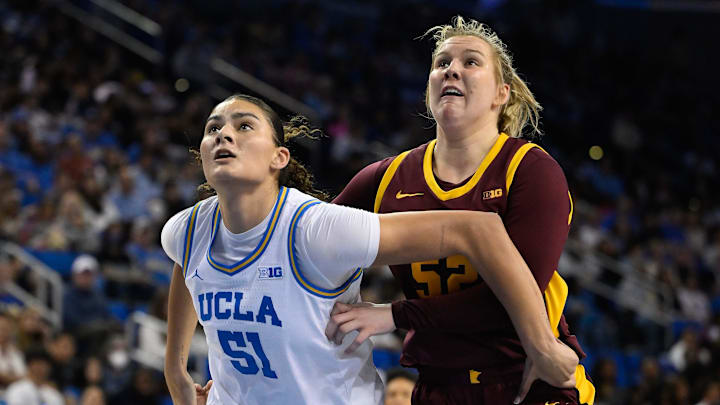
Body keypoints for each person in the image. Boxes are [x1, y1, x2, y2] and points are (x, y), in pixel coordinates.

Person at [162, 94, 578, 405]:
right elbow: (188, 265)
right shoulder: (186, 229)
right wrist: (176, 370)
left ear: (279, 157)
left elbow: (480, 229)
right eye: (213, 128)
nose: (223, 135)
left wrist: (541, 344)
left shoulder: (317, 230)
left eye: (243, 126)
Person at [329, 16, 595, 405]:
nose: (451, 68)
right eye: (441, 63)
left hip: (529, 381)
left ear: (501, 94)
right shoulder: (387, 178)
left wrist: (396, 315)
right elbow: (309, 241)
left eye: (471, 61)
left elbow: (511, 301)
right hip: (438, 385)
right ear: (428, 90)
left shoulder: (531, 170)